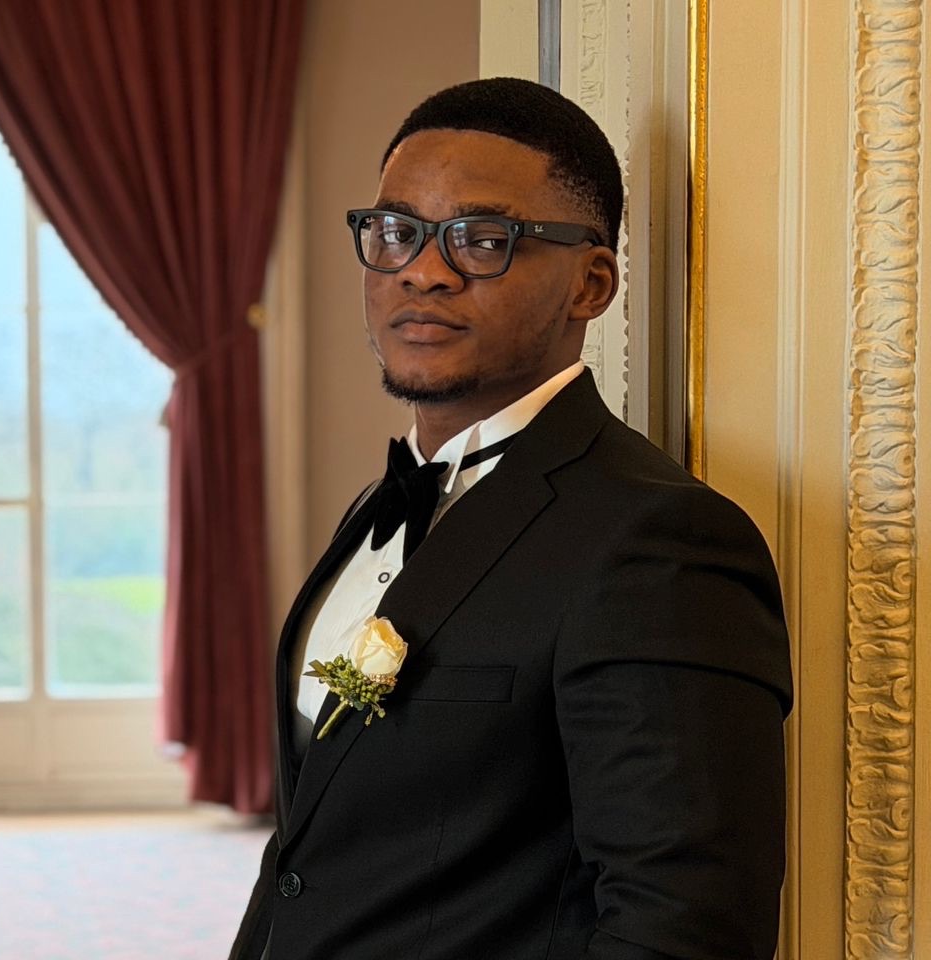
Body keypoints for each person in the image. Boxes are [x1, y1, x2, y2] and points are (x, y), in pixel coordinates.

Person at [230, 77, 792, 960]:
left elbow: (685, 927)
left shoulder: (662, 543)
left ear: (590, 285)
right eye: (396, 231)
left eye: (482, 240)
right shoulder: (377, 505)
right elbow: (309, 855)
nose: (423, 270)